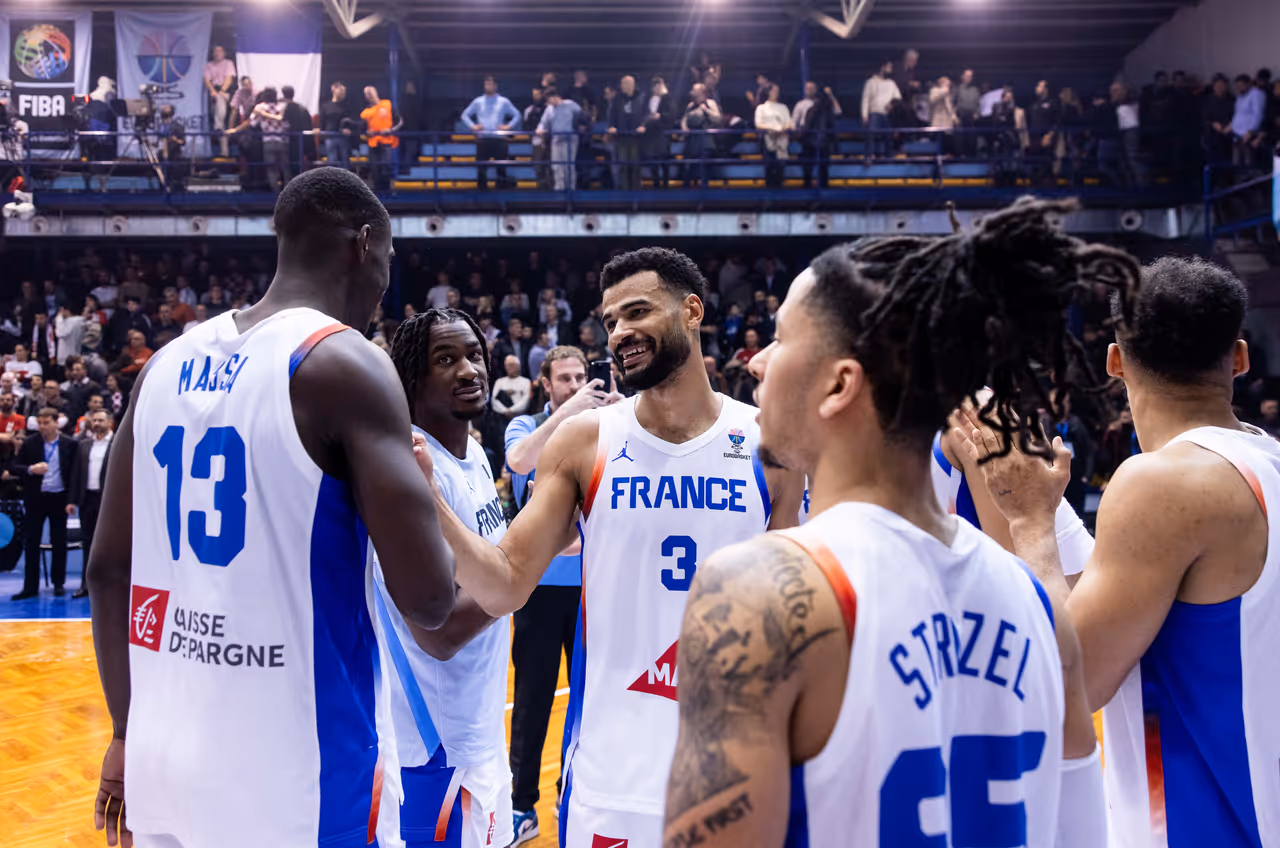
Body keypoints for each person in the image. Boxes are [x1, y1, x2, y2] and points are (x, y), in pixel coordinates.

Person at [664, 198, 1116, 847]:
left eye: (781, 339)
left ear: (839, 385)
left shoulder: (753, 591)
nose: (755, 362)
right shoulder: (1041, 608)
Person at [87, 167, 457, 848]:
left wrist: (122, 732)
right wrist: (426, 492)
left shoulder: (164, 365)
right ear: (364, 244)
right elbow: (430, 599)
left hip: (166, 758)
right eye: (388, 259)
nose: (384, 282)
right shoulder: (345, 363)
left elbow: (108, 571)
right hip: (299, 775)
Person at [414, 247, 802, 848]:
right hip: (610, 773)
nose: (619, 332)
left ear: (692, 311)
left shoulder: (768, 441)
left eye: (637, 312)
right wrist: (432, 504)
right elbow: (505, 582)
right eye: (610, 320)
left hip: (736, 769)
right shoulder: (583, 441)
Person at [961, 254, 1280, 847]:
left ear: (1114, 361)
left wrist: (1031, 521)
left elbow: (1070, 684)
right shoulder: (1266, 465)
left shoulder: (1161, 481)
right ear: (1239, 358)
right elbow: (1129, 608)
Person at [373, 309, 513, 848]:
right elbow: (439, 632)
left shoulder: (472, 452)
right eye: (445, 359)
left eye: (474, 355)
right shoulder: (407, 468)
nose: (468, 369)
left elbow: (485, 563)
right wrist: (521, 569)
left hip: (477, 726)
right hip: (433, 744)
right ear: (413, 378)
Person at [503, 346, 619, 844]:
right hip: (540, 586)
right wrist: (571, 412)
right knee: (532, 700)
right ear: (545, 384)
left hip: (594, 586)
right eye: (566, 379)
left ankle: (572, 793)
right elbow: (519, 460)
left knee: (592, 699)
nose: (576, 385)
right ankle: (521, 806)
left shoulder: (608, 425)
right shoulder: (526, 426)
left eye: (580, 377)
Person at [10, 407, 79, 600]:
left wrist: (72, 500)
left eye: (47, 423)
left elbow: (75, 474)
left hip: (59, 498)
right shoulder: (30, 443)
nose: (43, 426)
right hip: (36, 498)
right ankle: (30, 586)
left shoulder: (70, 444)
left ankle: (59, 583)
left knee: (59, 541)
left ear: (56, 423)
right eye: (40, 423)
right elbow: (14, 467)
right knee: (32, 542)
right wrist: (31, 469)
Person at [69, 408, 112, 599]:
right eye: (94, 421)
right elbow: (76, 474)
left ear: (110, 422)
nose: (96, 424)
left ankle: (109, 586)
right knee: (87, 543)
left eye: (100, 420)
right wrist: (72, 500)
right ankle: (85, 585)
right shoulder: (84, 445)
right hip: (87, 499)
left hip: (109, 501)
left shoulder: (117, 444)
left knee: (109, 544)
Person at [463, 76, 520, 190]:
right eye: (486, 84)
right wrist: (472, 126)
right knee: (481, 169)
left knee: (501, 168)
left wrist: (508, 126)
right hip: (483, 139)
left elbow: (517, 115)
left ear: (495, 86)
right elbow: (464, 115)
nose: (487, 86)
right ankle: (481, 193)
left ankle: (502, 193)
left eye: (490, 84)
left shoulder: (503, 101)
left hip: (499, 139)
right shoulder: (478, 101)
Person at [537, 88, 585, 192]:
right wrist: (540, 129)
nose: (548, 102)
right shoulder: (549, 109)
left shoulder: (571, 105)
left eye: (548, 99)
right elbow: (543, 123)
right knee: (557, 166)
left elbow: (582, 117)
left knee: (569, 166)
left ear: (555, 97)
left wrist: (581, 126)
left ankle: (570, 189)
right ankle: (559, 189)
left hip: (570, 140)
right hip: (556, 140)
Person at [361, 86, 401, 192]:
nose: (368, 95)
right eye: (366, 93)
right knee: (374, 168)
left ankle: (388, 190)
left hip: (386, 141)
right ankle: (377, 192)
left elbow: (399, 121)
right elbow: (361, 128)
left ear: (375, 92)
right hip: (373, 143)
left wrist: (390, 130)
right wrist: (367, 132)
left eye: (370, 92)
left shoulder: (387, 104)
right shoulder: (366, 112)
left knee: (386, 167)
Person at [754, 84, 792, 188]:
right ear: (768, 92)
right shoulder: (761, 108)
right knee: (769, 166)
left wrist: (780, 132)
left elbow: (789, 124)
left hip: (781, 139)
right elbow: (758, 124)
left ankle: (780, 188)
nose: (776, 93)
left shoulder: (783, 107)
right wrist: (772, 131)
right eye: (774, 90)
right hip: (767, 139)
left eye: (777, 91)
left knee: (780, 167)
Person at [203, 45, 237, 157]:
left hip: (226, 92)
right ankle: (224, 151)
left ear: (224, 53)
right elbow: (206, 79)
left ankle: (217, 125)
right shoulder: (209, 65)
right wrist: (213, 91)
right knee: (221, 120)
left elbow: (229, 79)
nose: (217, 53)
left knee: (220, 99)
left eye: (220, 51)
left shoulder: (228, 63)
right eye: (215, 51)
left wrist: (221, 91)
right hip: (213, 93)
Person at [319, 81, 354, 168]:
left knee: (345, 161)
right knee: (332, 160)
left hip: (343, 136)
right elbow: (322, 121)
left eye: (344, 91)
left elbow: (350, 120)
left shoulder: (346, 106)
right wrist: (320, 130)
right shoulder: (326, 106)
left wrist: (349, 129)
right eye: (341, 90)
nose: (343, 93)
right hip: (330, 135)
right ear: (334, 89)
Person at [156, 104, 188, 192]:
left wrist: (175, 140)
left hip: (174, 154)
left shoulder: (178, 126)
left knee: (175, 169)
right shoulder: (160, 126)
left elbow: (183, 142)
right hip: (162, 153)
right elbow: (158, 140)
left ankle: (176, 188)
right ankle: (162, 187)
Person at [491, 354, 532, 419]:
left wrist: (511, 410)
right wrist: (505, 411)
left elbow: (525, 401)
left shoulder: (526, 382)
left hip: (520, 416)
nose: (508, 367)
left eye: (511, 365)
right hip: (501, 418)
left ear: (518, 366)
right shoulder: (499, 382)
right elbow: (494, 400)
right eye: (506, 365)